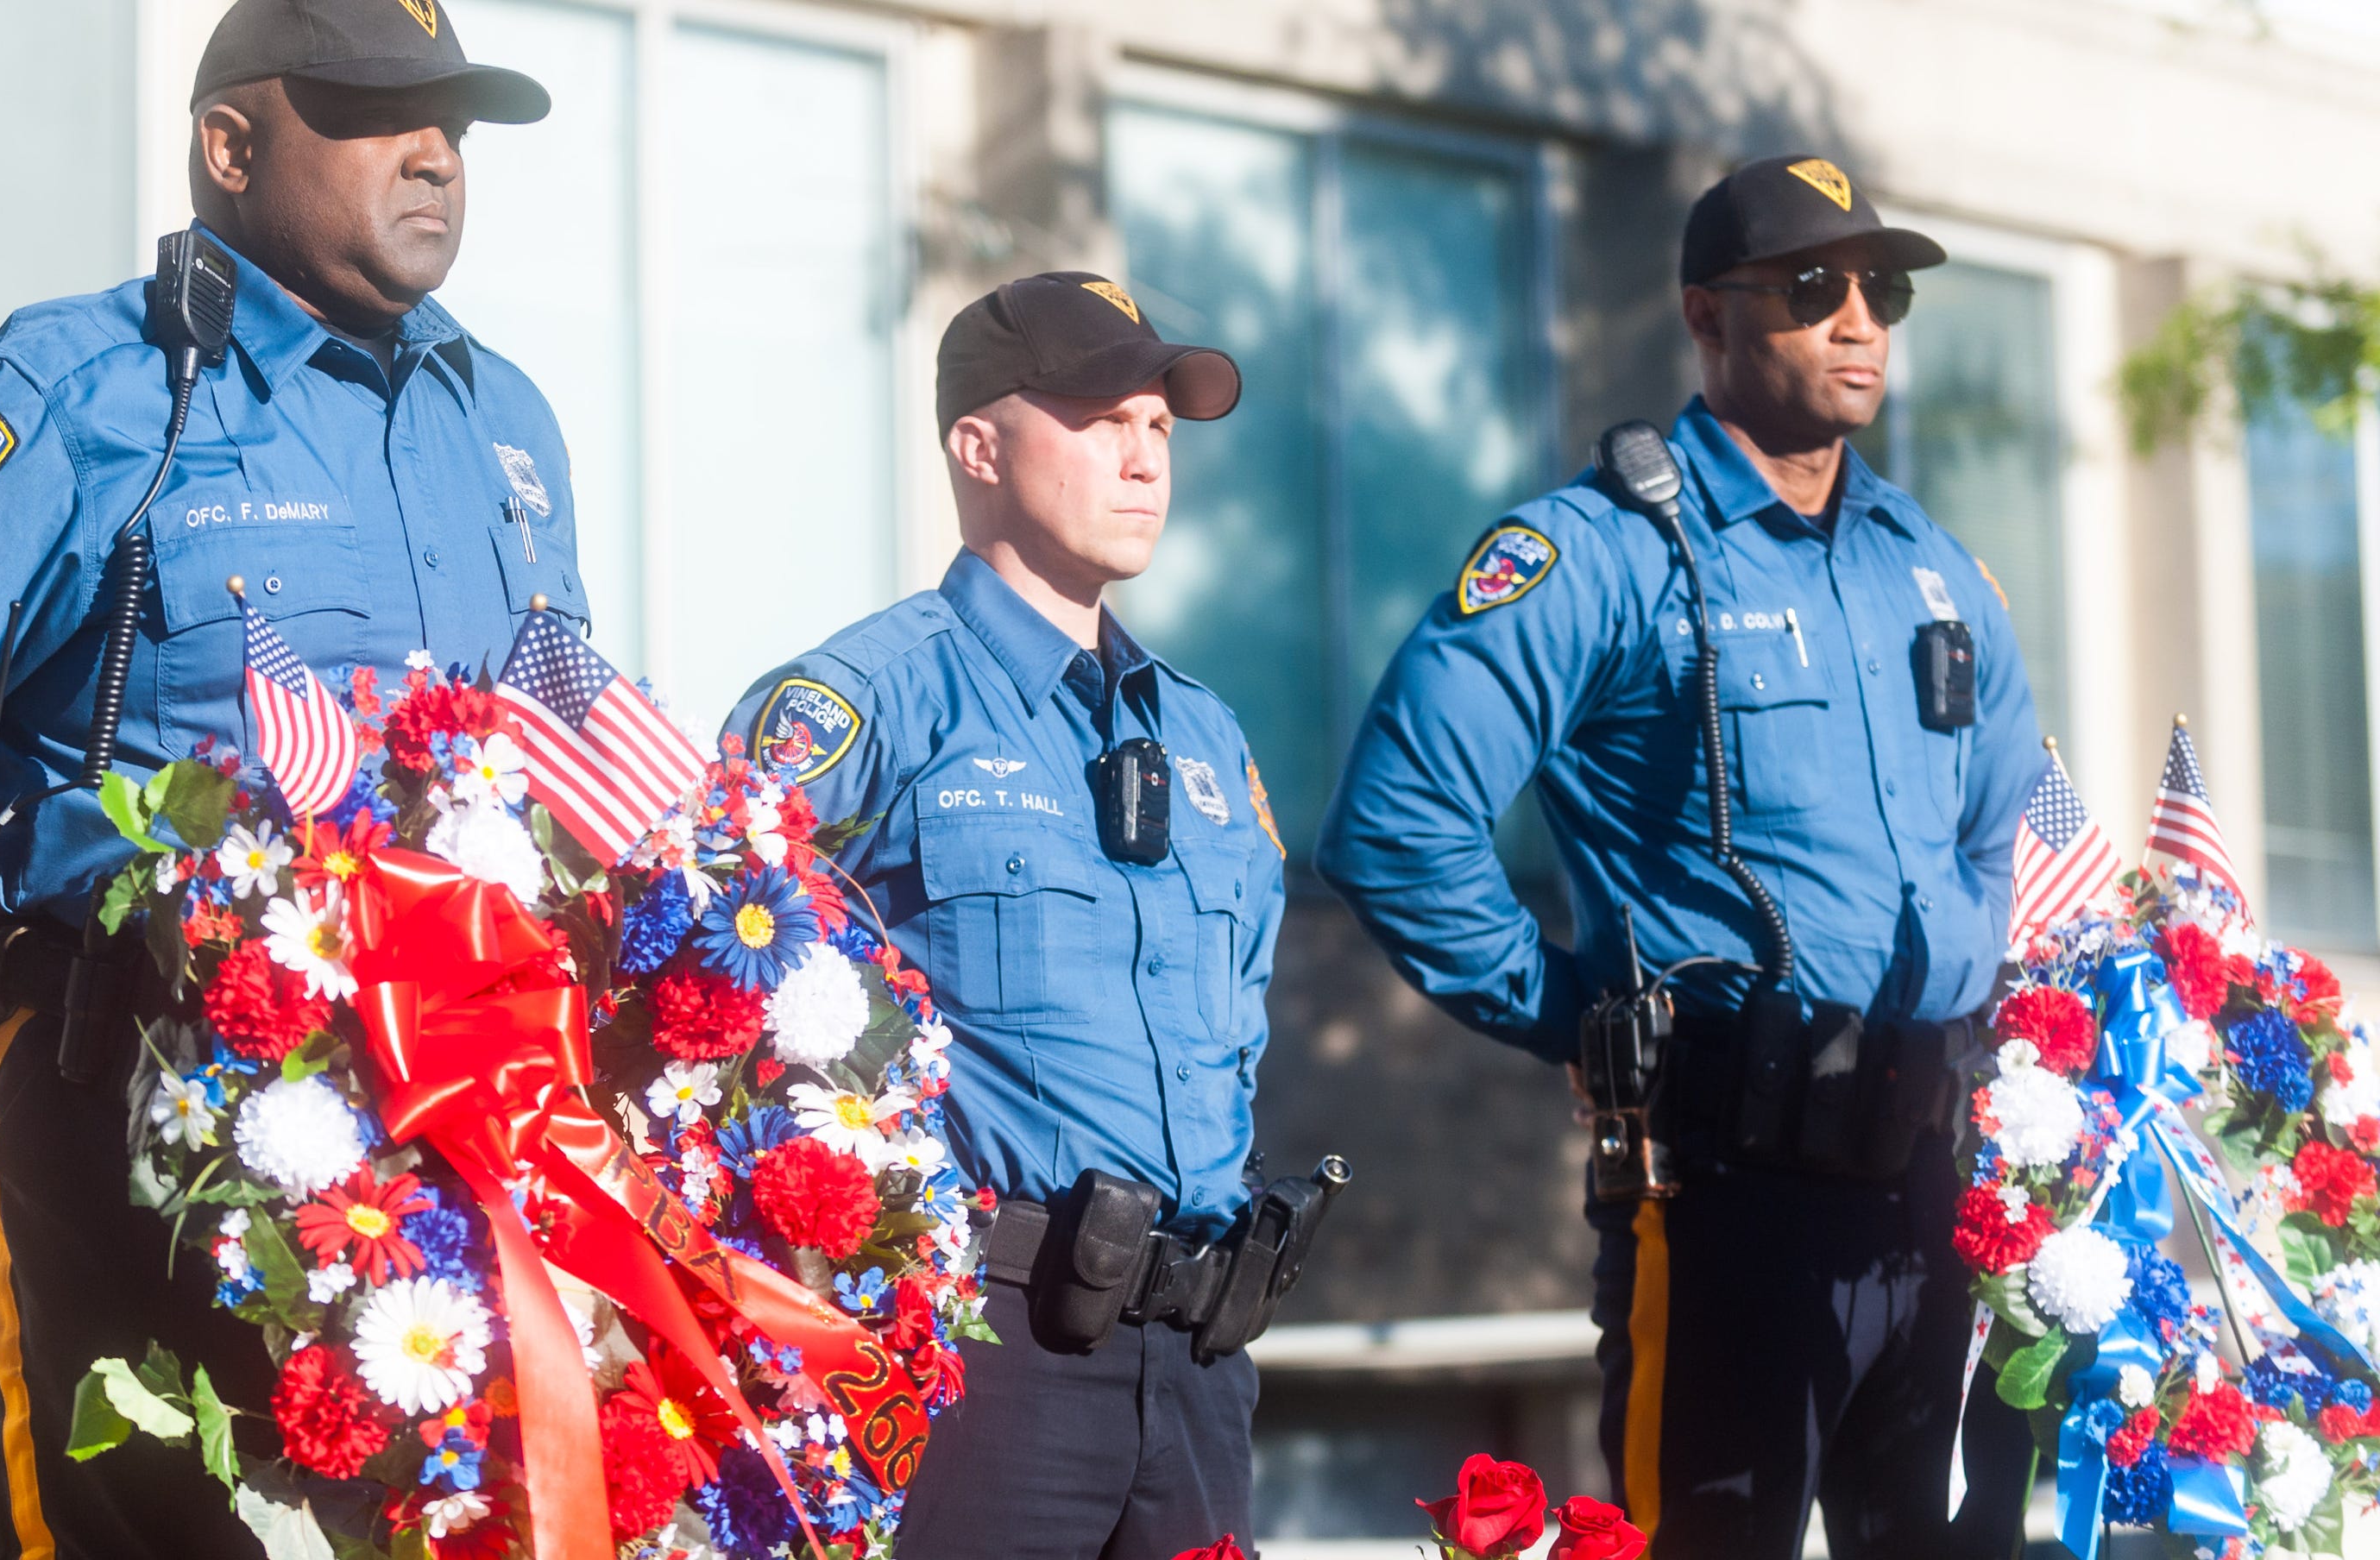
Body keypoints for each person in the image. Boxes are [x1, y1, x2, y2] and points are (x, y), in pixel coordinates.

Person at [0, 2, 582, 1553]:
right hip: (116, 1134)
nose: (436, 151)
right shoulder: (84, 388)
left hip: (439, 1151)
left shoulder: (499, 418)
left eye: (454, 116)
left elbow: (559, 751)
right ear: (229, 146)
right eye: (378, 111)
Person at [1317, 155, 2049, 1559]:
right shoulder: (1598, 552)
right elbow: (1398, 824)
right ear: (1708, 318)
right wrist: (1589, 1021)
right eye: (1813, 287)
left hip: (1939, 1200)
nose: (1860, 320)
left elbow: (2000, 833)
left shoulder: (1936, 566)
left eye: (1881, 289)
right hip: (1727, 1196)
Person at [722, 273, 1289, 1559]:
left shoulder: (1202, 729)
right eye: (1101, 420)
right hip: (989, 1354)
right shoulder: (868, 701)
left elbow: (1243, 1000)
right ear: (978, 446)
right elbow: (704, 958)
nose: (1145, 460)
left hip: (1202, 1356)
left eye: (1160, 426)